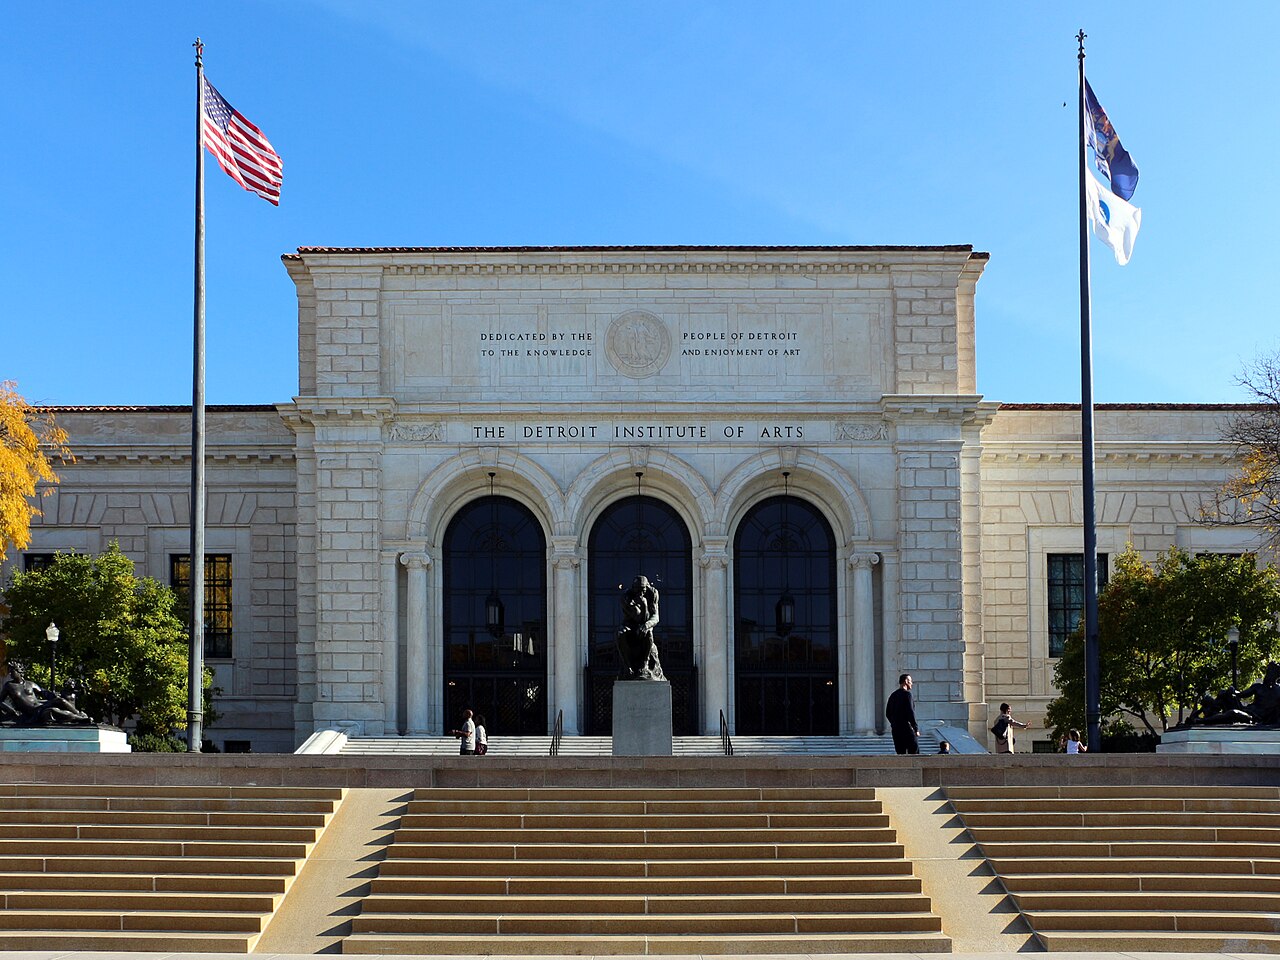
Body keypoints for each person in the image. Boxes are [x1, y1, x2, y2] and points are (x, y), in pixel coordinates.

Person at [885, 673, 919, 755]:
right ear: (906, 681)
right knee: (914, 751)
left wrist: (894, 723)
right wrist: (915, 728)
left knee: (900, 753)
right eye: (910, 681)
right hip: (906, 728)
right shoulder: (907, 694)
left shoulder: (893, 695)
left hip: (896, 730)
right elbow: (910, 712)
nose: (912, 683)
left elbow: (887, 713)